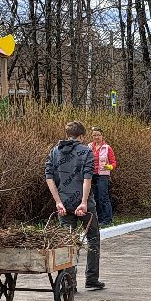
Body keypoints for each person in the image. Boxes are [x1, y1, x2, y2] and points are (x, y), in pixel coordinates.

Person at [46, 121, 103, 291]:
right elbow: (87, 178)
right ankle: (92, 279)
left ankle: (69, 282)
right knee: (93, 238)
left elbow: (49, 177)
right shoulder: (86, 151)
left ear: (67, 134)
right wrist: (84, 202)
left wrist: (58, 201)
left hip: (64, 205)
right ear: (82, 136)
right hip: (83, 205)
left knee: (66, 243)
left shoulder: (55, 151)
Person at [89, 127, 117, 226]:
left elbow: (114, 163)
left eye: (98, 135)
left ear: (102, 136)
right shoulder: (89, 147)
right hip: (91, 175)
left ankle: (107, 219)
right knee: (95, 197)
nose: (96, 137)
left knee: (103, 196)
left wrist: (108, 167)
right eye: (94, 135)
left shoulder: (107, 148)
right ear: (92, 136)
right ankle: (99, 219)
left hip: (103, 175)